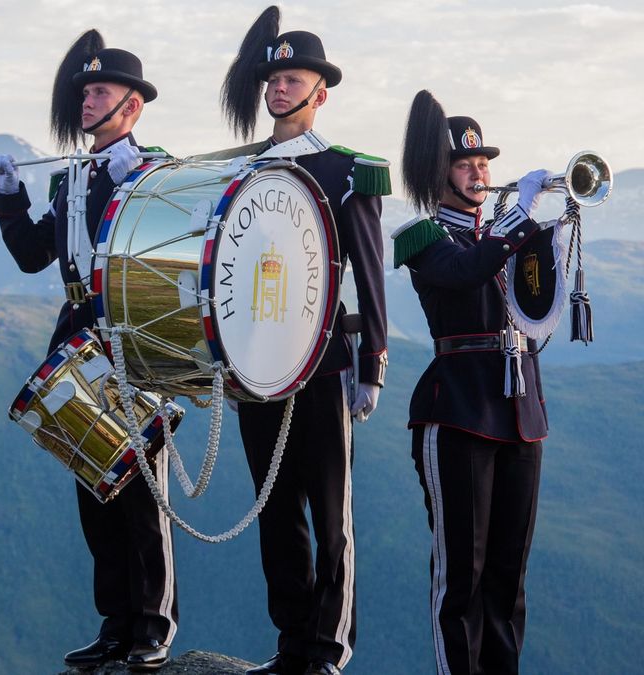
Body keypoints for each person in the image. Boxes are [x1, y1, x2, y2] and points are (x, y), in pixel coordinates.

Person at [0, 31, 176, 672]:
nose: (88, 100)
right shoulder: (69, 177)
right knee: (93, 482)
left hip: (129, 331)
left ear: (133, 105)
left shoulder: (153, 170)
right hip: (76, 330)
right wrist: (11, 198)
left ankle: (152, 623)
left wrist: (140, 186)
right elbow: (34, 256)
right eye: (86, 91)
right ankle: (116, 622)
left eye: (101, 91)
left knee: (141, 486)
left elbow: (170, 246)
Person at [214, 8, 389, 675]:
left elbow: (371, 274)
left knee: (331, 514)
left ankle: (328, 651)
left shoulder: (349, 170)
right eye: (273, 78)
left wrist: (371, 362)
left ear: (321, 91)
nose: (279, 88)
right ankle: (292, 645)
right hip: (259, 362)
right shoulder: (241, 169)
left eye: (293, 78)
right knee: (275, 508)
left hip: (324, 364)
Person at [394, 89, 560, 675]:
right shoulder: (423, 239)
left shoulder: (504, 238)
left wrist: (553, 229)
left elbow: (543, 303)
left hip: (519, 412)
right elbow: (466, 272)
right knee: (460, 580)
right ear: (438, 174)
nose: (479, 172)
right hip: (458, 414)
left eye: (483, 162)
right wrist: (519, 222)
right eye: (464, 164)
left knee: (509, 580)